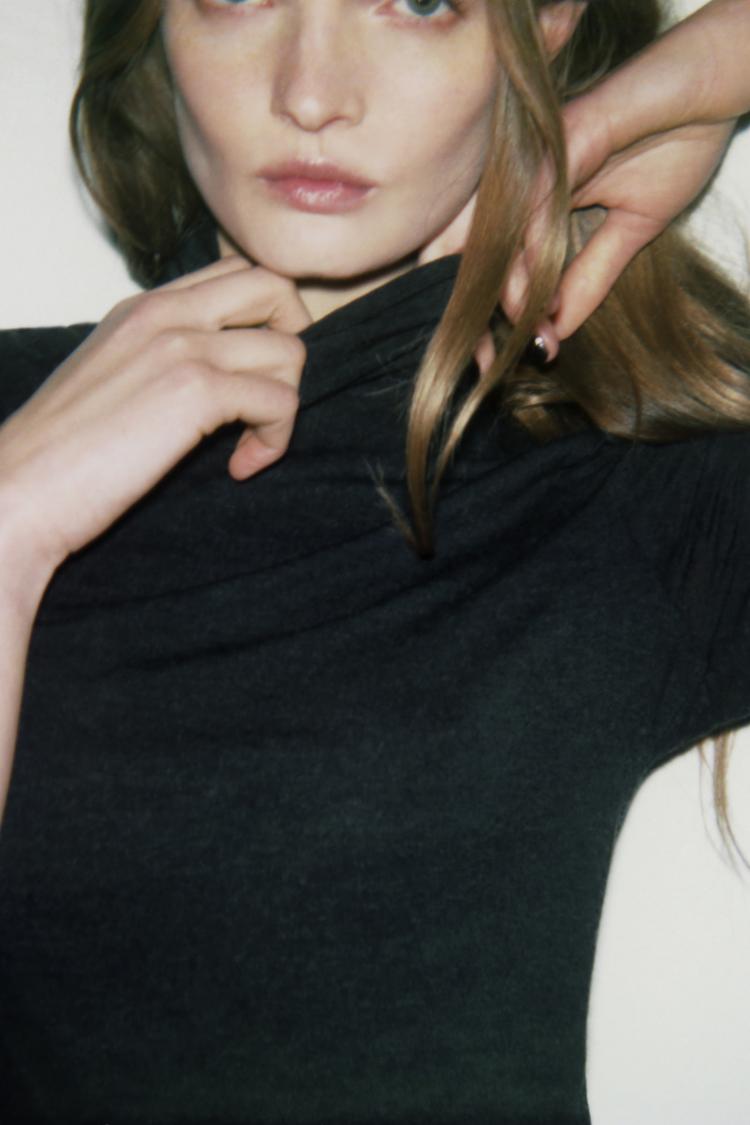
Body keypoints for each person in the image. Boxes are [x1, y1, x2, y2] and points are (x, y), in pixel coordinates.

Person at [1, 0, 750, 1121]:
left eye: (419, 1)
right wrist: (11, 521)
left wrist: (700, 75)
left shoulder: (625, 490)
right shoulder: (15, 442)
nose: (311, 94)